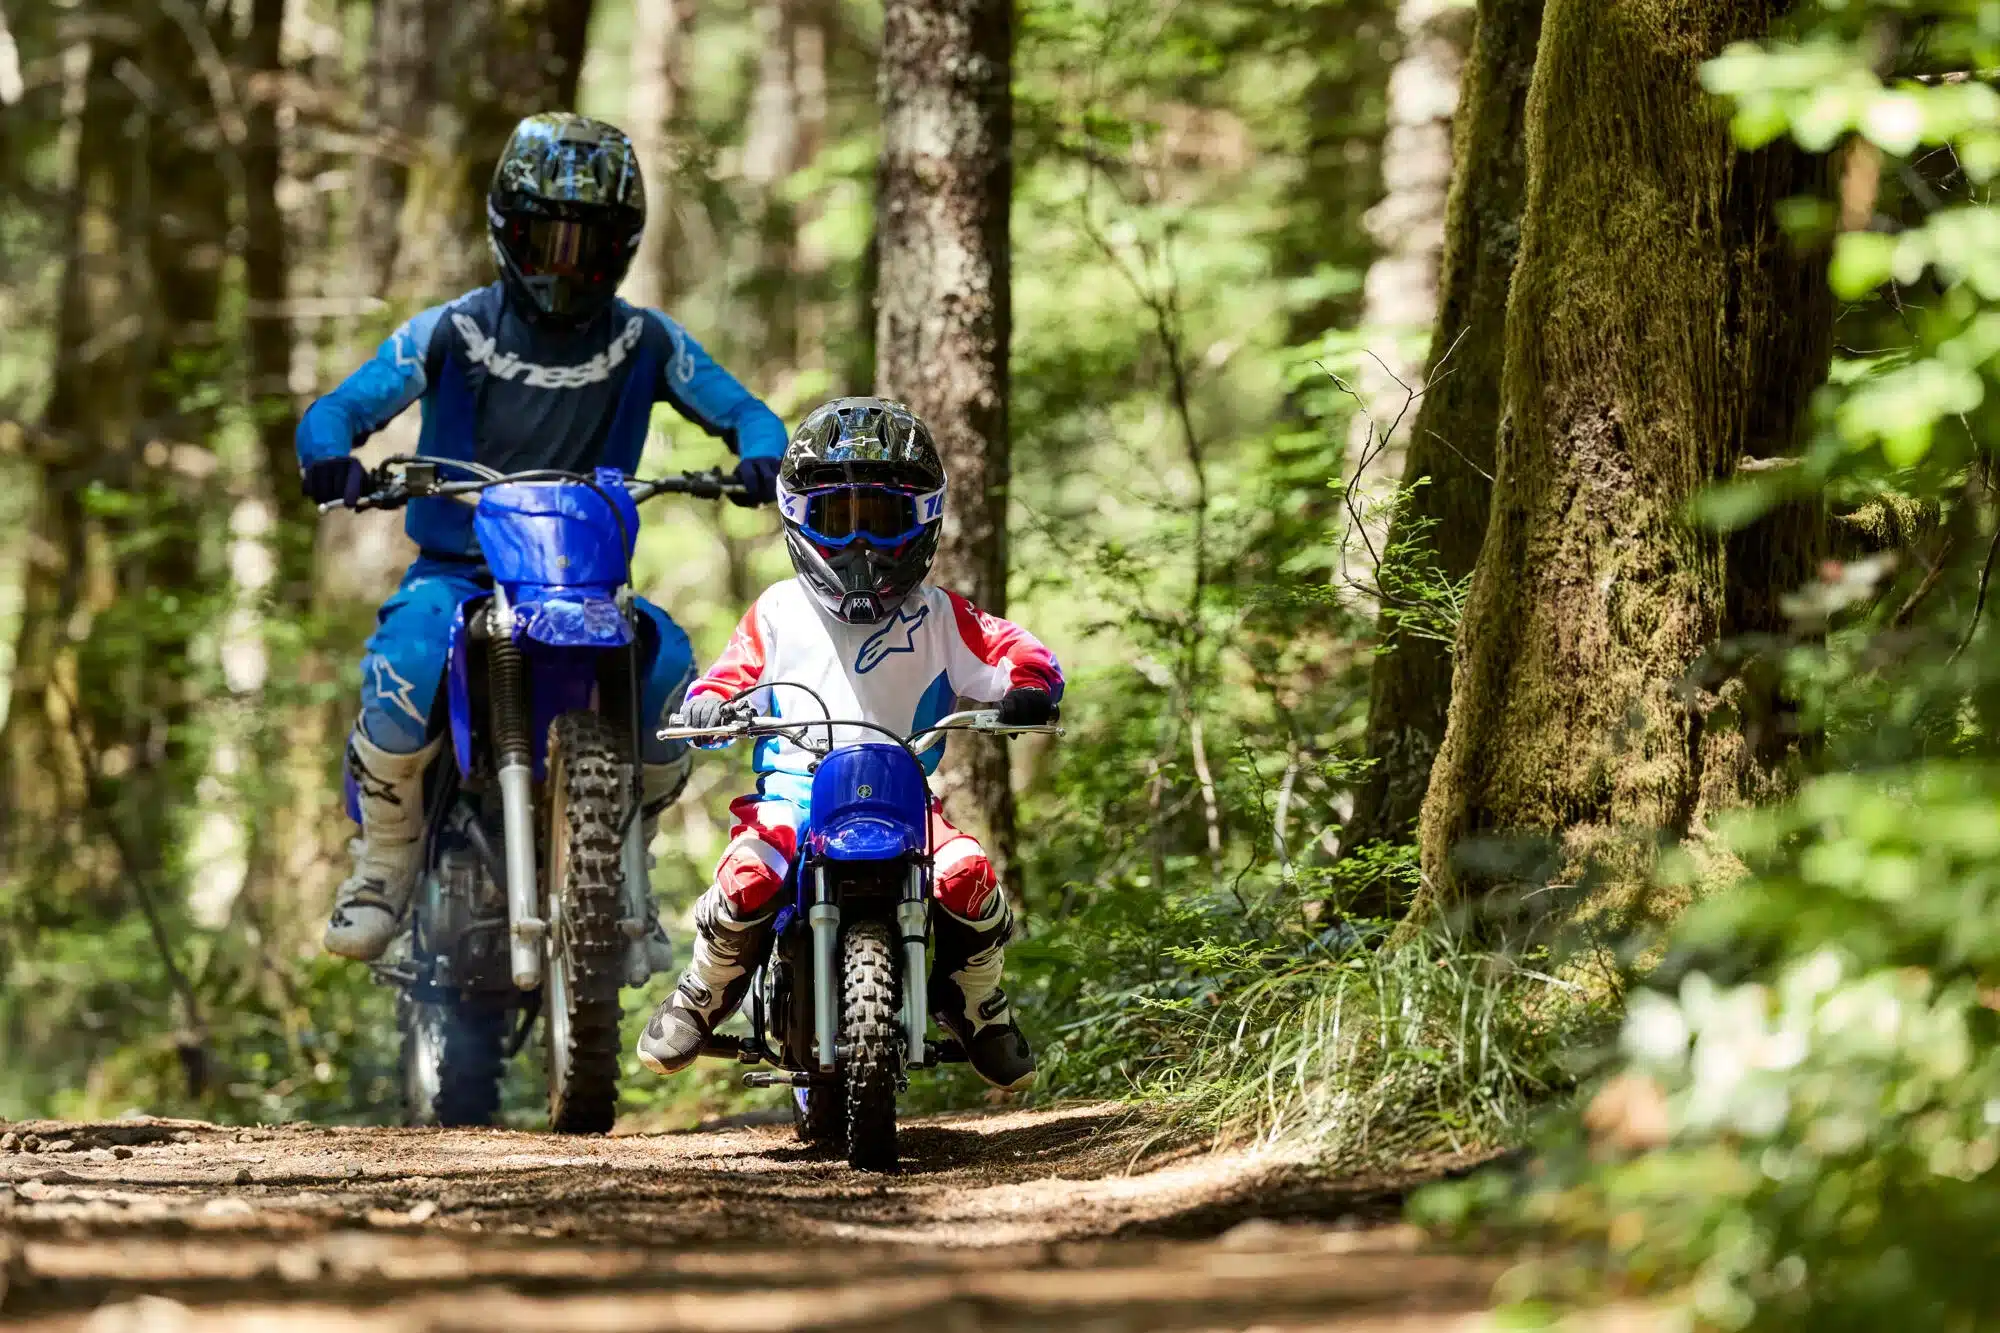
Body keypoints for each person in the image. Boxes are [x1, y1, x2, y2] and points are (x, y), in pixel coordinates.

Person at [296, 112, 786, 964]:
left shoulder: (645, 340)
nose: (564, 263)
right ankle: (381, 865)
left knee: (671, 671)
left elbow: (745, 410)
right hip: (458, 571)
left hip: (587, 583)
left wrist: (761, 456)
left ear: (622, 245)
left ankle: (624, 864)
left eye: (585, 244)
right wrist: (329, 454)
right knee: (407, 659)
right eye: (543, 237)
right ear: (505, 229)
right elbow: (343, 404)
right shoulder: (453, 330)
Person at [635, 397, 1061, 1092]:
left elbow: (1015, 650)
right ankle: (705, 990)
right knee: (749, 876)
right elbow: (728, 674)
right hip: (794, 797)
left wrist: (1031, 685)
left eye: (882, 519)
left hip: (905, 797)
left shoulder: (940, 614)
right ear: (803, 520)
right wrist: (710, 702)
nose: (861, 543)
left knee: (968, 876)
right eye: (840, 518)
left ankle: (979, 1002)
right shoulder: (778, 610)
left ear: (920, 518)